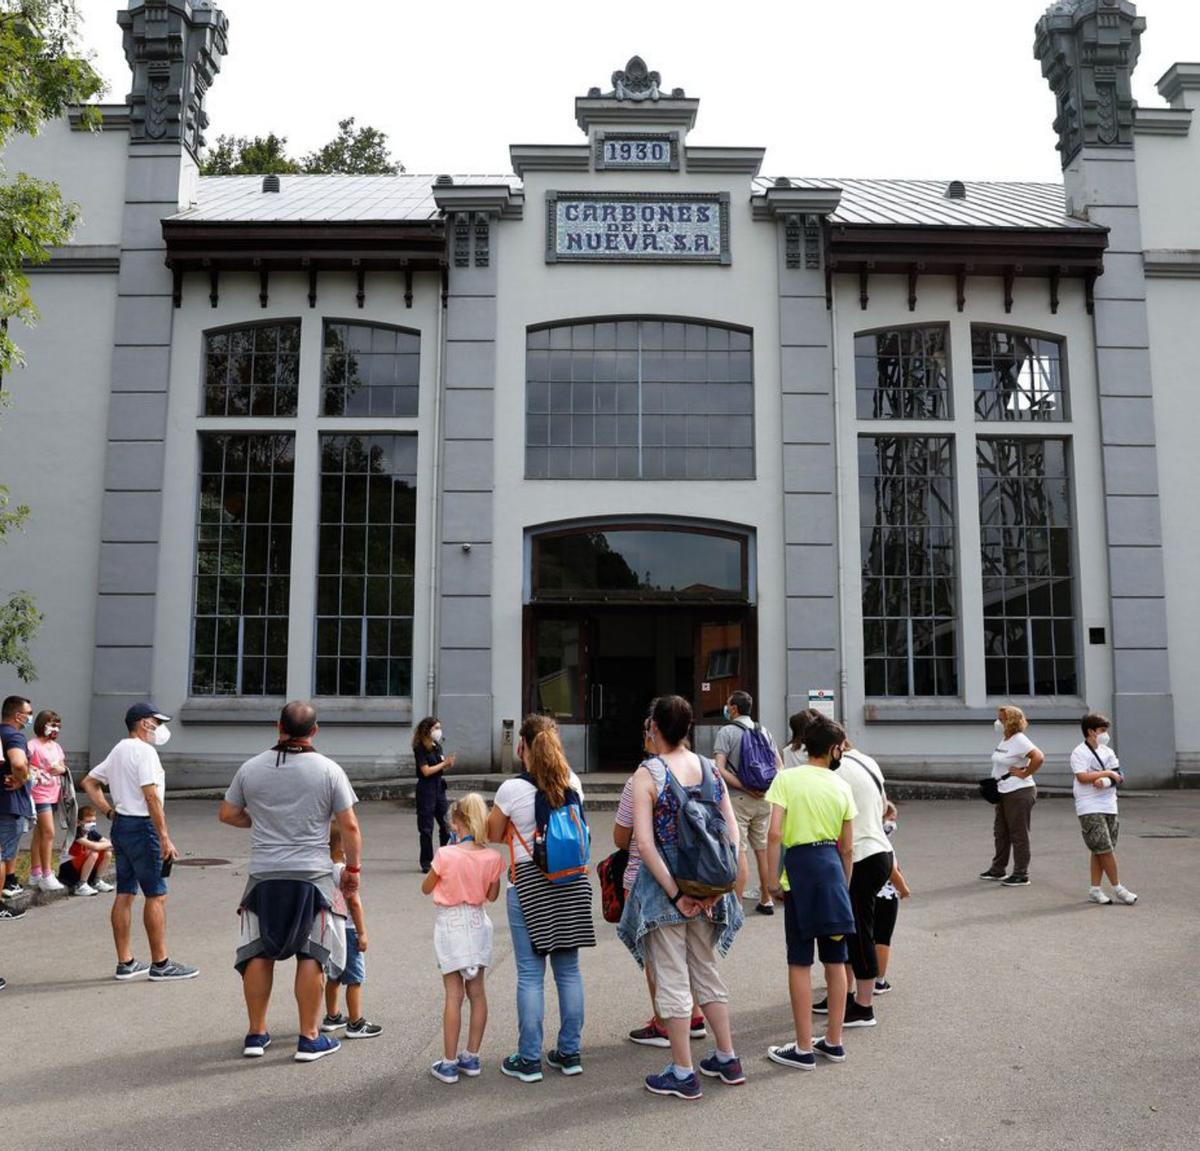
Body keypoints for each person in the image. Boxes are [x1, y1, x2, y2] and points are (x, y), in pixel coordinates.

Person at [618, 695, 745, 1101]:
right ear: (688, 728)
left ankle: (683, 1070)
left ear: (654, 727)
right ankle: (727, 1057)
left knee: (672, 978)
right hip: (710, 887)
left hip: (664, 890)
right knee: (706, 971)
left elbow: (643, 842)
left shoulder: (648, 773)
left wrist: (675, 894)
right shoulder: (709, 768)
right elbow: (732, 831)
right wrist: (716, 886)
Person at [219, 701, 361, 1062]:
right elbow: (350, 826)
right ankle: (309, 1037)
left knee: (257, 952)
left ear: (277, 726)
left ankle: (256, 1033)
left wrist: (257, 822)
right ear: (314, 731)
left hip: (263, 875)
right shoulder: (329, 770)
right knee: (311, 953)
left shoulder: (251, 768)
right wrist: (353, 872)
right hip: (312, 877)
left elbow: (228, 813)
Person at [487, 715, 595, 1084]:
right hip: (573, 880)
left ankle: (529, 1059)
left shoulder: (511, 790)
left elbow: (493, 832)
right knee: (569, 971)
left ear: (522, 747)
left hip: (530, 882)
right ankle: (570, 1053)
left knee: (531, 975)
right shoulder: (573, 781)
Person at [764, 716, 857, 1071]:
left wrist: (773, 881)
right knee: (835, 958)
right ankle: (834, 1040)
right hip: (831, 868)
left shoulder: (787, 778)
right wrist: (843, 885)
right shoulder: (841, 785)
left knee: (800, 959)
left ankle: (803, 1047)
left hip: (800, 868)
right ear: (834, 749)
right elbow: (847, 847)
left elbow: (774, 834)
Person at [82, 703, 196, 982]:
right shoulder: (145, 752)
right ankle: (161, 963)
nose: (160, 728)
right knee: (156, 895)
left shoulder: (119, 749)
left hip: (122, 824)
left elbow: (89, 782)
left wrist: (109, 811)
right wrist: (164, 837)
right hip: (143, 826)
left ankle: (126, 961)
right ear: (144, 723)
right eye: (157, 722)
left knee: (125, 893)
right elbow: (151, 797)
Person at [616, 715, 707, 1048]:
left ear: (654, 733)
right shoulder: (703, 770)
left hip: (651, 878)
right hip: (696, 875)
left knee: (657, 957)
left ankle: (664, 1022)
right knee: (690, 953)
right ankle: (695, 1016)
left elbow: (622, 837)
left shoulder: (641, 778)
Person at [422, 793, 504, 1084]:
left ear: (458, 822)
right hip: (478, 922)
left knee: (453, 995)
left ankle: (448, 1062)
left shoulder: (446, 855)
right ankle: (471, 1056)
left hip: (451, 924)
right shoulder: (493, 857)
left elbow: (426, 887)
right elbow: (491, 896)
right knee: (478, 992)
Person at [816, 737, 892, 1028]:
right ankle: (844, 995)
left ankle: (863, 1006)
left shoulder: (837, 770)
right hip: (879, 850)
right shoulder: (867, 761)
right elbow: (884, 805)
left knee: (859, 933)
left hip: (861, 857)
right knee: (852, 930)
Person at [713, 690, 783, 915]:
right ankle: (766, 899)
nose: (726, 708)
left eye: (728, 704)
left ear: (734, 708)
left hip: (738, 799)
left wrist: (745, 787)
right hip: (765, 799)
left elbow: (719, 768)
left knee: (739, 850)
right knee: (761, 850)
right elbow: (779, 766)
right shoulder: (764, 731)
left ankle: (737, 905)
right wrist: (764, 790)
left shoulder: (727, 732)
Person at [321, 821, 382, 1041]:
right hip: (347, 928)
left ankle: (332, 1016)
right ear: (342, 849)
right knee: (354, 978)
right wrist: (362, 932)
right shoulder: (343, 872)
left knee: (334, 974)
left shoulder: (323, 870)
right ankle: (355, 1022)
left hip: (329, 929)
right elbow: (354, 903)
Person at [1071, 713, 1137, 906]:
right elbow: (1082, 777)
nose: (1105, 734)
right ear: (1091, 732)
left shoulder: (1108, 751)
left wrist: (1106, 780)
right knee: (1104, 848)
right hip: (1089, 806)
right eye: (1102, 730)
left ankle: (1095, 889)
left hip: (1109, 804)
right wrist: (1108, 773)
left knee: (1100, 849)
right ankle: (1119, 888)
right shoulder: (1079, 753)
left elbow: (1120, 775)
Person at [979, 705, 1043, 887]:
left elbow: (1038, 757)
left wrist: (1025, 772)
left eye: (1001, 719)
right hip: (1004, 790)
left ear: (1011, 722)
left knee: (1018, 833)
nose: (997, 722)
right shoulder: (1005, 740)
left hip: (1019, 791)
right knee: (1001, 831)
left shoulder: (1020, 740)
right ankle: (998, 869)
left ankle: (1021, 873)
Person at [27, 710, 68, 892]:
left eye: (57, 725)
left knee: (40, 833)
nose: (55, 728)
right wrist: (35, 770)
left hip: (54, 792)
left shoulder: (56, 746)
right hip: (38, 793)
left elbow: (63, 766)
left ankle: (35, 872)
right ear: (42, 725)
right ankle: (46, 874)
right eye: (51, 724)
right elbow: (24, 765)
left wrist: (60, 769)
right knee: (49, 832)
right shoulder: (32, 745)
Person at [872, 802, 910, 994]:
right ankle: (879, 980)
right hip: (885, 895)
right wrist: (903, 888)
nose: (894, 825)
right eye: (891, 820)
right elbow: (890, 869)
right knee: (882, 938)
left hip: (866, 892)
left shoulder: (865, 838)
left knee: (864, 936)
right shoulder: (882, 842)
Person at [1, 695, 35, 904]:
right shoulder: (14, 737)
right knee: (3, 854)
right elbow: (19, 764)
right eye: (29, 713)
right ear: (18, 715)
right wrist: (24, 779)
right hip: (8, 804)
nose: (30, 717)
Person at [413, 716, 454, 873]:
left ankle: (445, 858)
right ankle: (426, 861)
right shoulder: (420, 747)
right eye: (436, 728)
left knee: (445, 824)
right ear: (428, 729)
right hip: (426, 788)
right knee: (426, 827)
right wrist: (443, 764)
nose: (439, 731)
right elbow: (426, 770)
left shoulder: (437, 746)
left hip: (439, 787)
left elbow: (438, 768)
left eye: (439, 727)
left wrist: (447, 764)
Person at [58, 806, 114, 896]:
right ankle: (81, 885)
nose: (92, 824)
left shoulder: (91, 832)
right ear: (79, 822)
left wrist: (107, 845)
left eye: (93, 821)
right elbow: (95, 846)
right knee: (94, 853)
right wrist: (107, 844)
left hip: (80, 866)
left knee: (107, 853)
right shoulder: (75, 833)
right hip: (69, 868)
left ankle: (97, 881)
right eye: (88, 822)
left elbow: (108, 843)